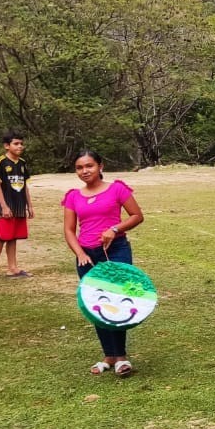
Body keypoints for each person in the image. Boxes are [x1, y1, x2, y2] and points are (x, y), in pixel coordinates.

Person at [61, 150, 145, 376]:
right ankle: (109, 355)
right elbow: (69, 230)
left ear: (100, 166)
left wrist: (114, 229)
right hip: (87, 255)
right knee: (96, 305)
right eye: (79, 167)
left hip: (115, 251)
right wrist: (80, 253)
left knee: (117, 302)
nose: (84, 171)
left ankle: (121, 357)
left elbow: (137, 215)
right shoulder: (73, 196)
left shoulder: (117, 189)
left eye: (89, 166)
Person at [0, 130, 35, 281]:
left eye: (21, 144)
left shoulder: (22, 163)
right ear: (7, 146)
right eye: (16, 144)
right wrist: (4, 206)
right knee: (2, 237)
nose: (20, 146)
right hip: (6, 206)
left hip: (19, 206)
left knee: (13, 237)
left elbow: (24, 185)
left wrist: (29, 205)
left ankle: (12, 268)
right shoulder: (0, 161)